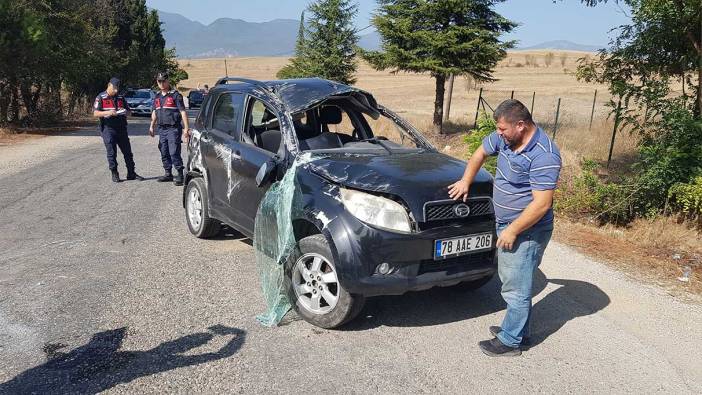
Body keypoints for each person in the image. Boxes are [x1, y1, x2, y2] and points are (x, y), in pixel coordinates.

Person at [448, 99, 562, 357]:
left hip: (527, 229)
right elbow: (480, 152)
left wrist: (513, 230)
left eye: (502, 129)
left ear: (520, 125)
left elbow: (542, 204)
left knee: (516, 287)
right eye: (497, 129)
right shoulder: (507, 138)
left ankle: (510, 341)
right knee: (517, 280)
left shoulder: (544, 155)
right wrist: (466, 180)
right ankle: (519, 329)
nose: (498, 134)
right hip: (508, 223)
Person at [93, 77, 143, 183]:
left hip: (121, 128)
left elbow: (130, 112)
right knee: (112, 152)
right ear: (109, 85)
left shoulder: (120, 97)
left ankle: (131, 173)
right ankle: (114, 173)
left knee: (128, 152)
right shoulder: (101, 97)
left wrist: (124, 111)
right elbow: (95, 113)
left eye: (117, 89)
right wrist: (108, 113)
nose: (116, 91)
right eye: (114, 88)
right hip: (108, 128)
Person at [149, 72, 191, 186]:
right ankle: (168, 173)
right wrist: (151, 126)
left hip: (173, 129)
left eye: (163, 81)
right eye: (159, 81)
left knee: (173, 152)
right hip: (161, 129)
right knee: (164, 151)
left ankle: (180, 174)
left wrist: (186, 128)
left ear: (168, 81)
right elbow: (154, 112)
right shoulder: (157, 96)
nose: (161, 83)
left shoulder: (175, 95)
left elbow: (182, 112)